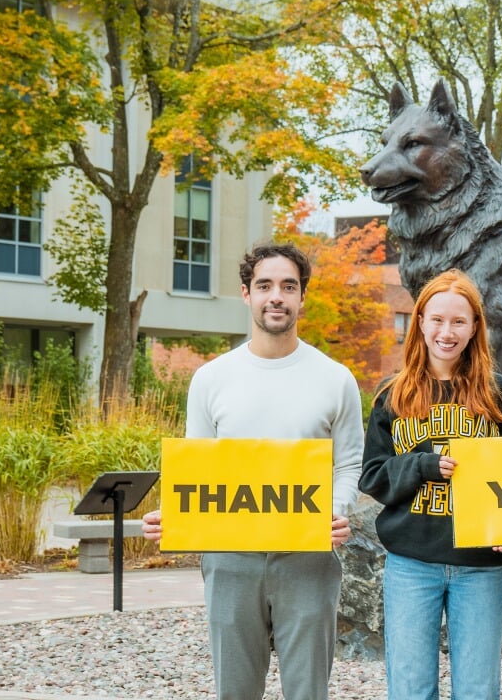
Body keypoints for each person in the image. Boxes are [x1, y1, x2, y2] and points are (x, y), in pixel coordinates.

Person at [139, 243, 362, 700]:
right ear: (246, 294)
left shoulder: (335, 378)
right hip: (230, 558)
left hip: (307, 556)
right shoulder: (212, 378)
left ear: (302, 297)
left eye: (288, 286)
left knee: (308, 691)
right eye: (264, 286)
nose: (276, 296)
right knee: (235, 691)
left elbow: (349, 463)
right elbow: (197, 467)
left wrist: (335, 512)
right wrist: (174, 517)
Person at [358, 270, 502, 700]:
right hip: (411, 562)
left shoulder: (495, 392)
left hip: (479, 566)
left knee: (478, 691)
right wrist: (421, 466)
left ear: (475, 328)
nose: (448, 332)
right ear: (420, 321)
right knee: (410, 689)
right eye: (438, 320)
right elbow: (372, 475)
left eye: (459, 321)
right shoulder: (392, 394)